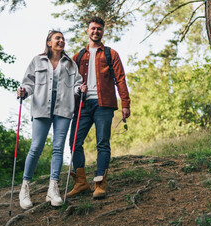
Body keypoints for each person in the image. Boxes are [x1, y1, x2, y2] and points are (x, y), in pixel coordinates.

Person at [17, 30, 86, 209]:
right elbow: (28, 83)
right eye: (58, 38)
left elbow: (77, 84)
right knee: (36, 147)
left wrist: (81, 89)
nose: (61, 41)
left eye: (63, 39)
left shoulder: (70, 64)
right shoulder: (37, 61)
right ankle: (24, 188)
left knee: (58, 148)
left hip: (63, 108)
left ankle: (53, 189)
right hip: (41, 108)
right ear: (48, 42)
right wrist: (24, 91)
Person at [66, 16, 131, 199]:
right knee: (74, 143)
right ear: (88, 31)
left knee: (102, 143)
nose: (96, 31)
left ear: (103, 31)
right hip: (83, 106)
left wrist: (125, 103)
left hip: (104, 105)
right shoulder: (78, 57)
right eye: (93, 28)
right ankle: (81, 183)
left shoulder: (111, 54)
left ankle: (100, 184)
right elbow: (68, 81)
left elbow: (120, 79)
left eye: (99, 29)